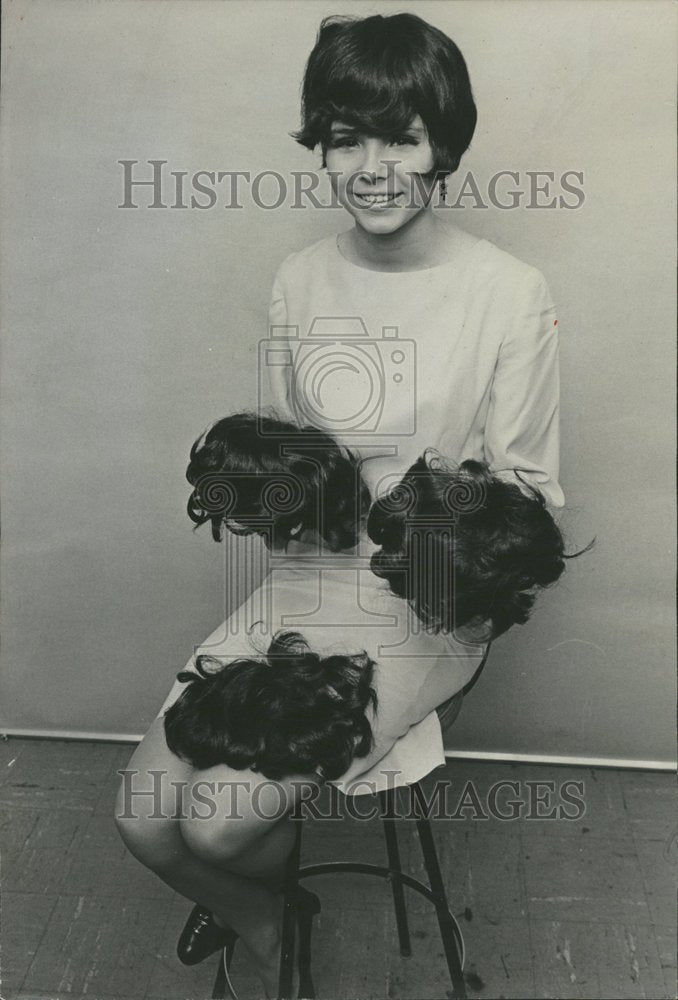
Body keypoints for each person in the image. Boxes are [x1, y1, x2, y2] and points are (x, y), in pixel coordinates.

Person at [116, 413, 568, 998]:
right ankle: (247, 906)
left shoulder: (469, 605)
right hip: (296, 607)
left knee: (214, 833)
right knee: (141, 821)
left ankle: (260, 922)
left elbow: (461, 620)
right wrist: (287, 486)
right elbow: (345, 487)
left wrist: (435, 595)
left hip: (396, 651)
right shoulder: (395, 485)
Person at [266, 12, 563, 507]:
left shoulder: (512, 290)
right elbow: (294, 471)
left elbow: (523, 494)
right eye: (346, 142)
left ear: (442, 148)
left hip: (448, 578)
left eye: (402, 140)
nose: (371, 171)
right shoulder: (298, 279)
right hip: (311, 572)